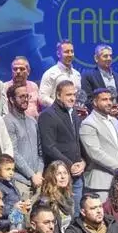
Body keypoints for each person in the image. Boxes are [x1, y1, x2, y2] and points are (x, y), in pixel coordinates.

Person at [38, 80, 86, 210]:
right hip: (57, 177)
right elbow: (49, 147)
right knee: (59, 214)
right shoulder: (47, 115)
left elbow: (77, 142)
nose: (73, 98)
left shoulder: (74, 113)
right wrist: (70, 165)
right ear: (58, 95)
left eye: (74, 95)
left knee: (76, 214)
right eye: (68, 95)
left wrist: (83, 161)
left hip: (77, 176)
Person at [80, 88, 118, 202]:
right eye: (104, 100)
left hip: (117, 180)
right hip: (100, 182)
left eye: (110, 99)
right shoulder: (88, 123)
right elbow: (94, 152)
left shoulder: (114, 121)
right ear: (95, 102)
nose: (109, 102)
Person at [4, 82, 44, 198]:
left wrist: (39, 173)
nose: (25, 99)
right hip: (20, 181)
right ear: (12, 100)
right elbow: (13, 153)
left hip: (38, 180)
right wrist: (31, 175)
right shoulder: (7, 121)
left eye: (27, 96)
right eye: (21, 96)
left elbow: (40, 151)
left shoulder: (33, 121)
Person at [82, 44, 118, 114]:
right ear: (96, 58)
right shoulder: (88, 76)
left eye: (110, 56)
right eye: (105, 56)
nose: (109, 58)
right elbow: (87, 100)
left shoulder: (117, 77)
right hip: (98, 116)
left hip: (116, 117)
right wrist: (105, 110)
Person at [39, 40, 81, 109]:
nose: (70, 54)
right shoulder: (50, 74)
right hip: (56, 113)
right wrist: (59, 107)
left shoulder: (77, 74)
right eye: (66, 52)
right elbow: (42, 97)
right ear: (58, 54)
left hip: (74, 113)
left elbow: (78, 97)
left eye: (72, 51)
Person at [41, 161, 76, 231]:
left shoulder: (69, 199)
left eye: (65, 173)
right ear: (51, 177)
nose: (63, 177)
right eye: (58, 174)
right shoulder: (45, 201)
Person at [0, 154, 21, 226]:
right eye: (8, 169)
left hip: (16, 220)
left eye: (13, 169)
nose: (11, 173)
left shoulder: (11, 183)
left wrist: (24, 206)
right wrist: (13, 208)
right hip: (5, 224)